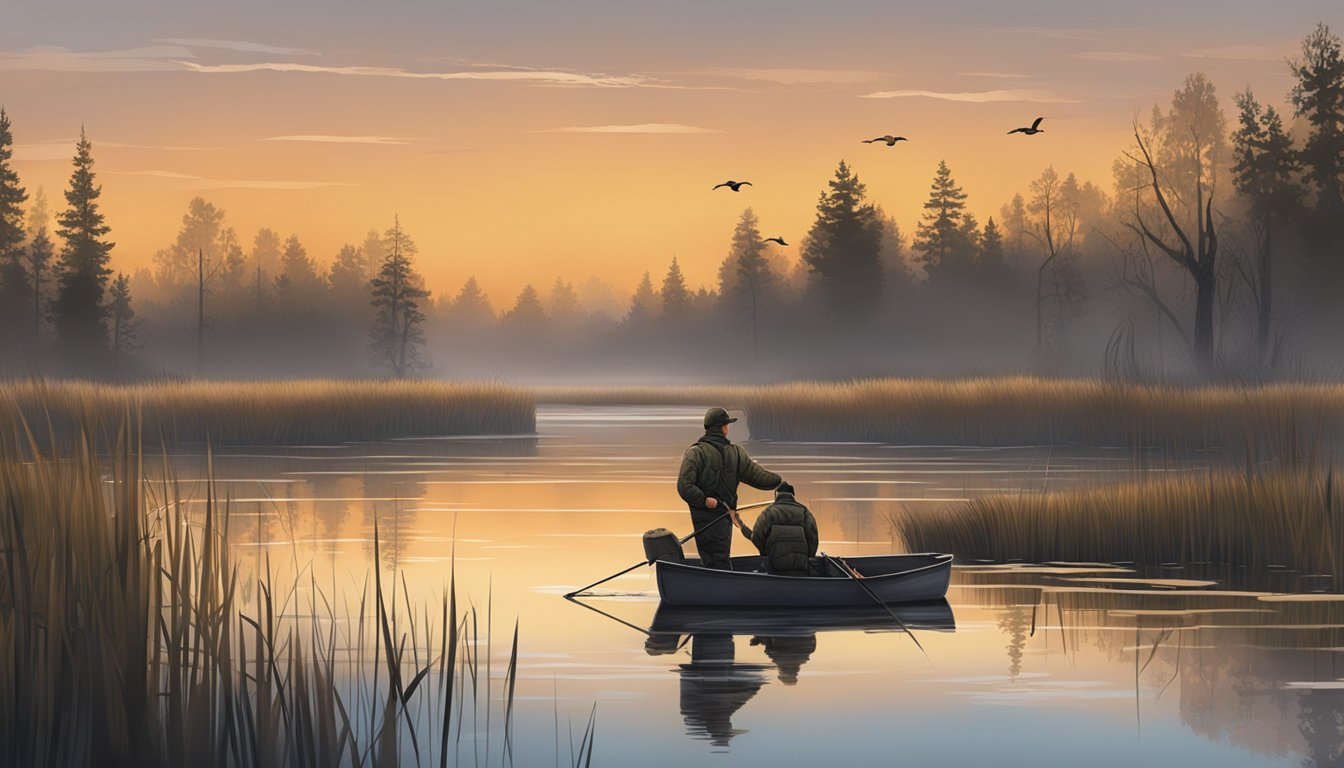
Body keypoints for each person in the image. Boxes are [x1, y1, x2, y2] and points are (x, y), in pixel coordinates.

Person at [677, 407, 783, 570]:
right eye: (727, 425)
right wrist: (779, 482)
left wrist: (702, 500)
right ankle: (720, 584)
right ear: (723, 428)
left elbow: (685, 487)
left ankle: (711, 582)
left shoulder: (694, 452)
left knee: (711, 557)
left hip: (709, 515)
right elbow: (760, 478)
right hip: (719, 515)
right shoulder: (735, 453)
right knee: (719, 556)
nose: (728, 428)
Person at [733, 482, 819, 575]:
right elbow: (813, 540)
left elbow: (756, 538)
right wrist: (807, 558)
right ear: (793, 495)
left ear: (776, 494)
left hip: (775, 567)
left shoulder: (768, 512)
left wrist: (766, 555)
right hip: (800, 567)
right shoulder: (804, 512)